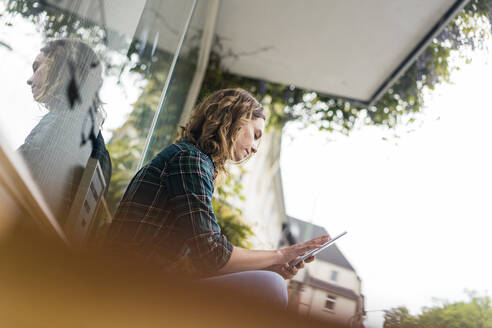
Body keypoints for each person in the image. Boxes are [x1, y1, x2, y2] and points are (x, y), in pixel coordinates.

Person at [105, 88, 328, 307]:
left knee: (270, 281)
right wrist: (281, 255)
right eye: (255, 134)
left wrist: (269, 267)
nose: (255, 148)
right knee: (271, 287)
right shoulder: (189, 160)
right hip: (132, 285)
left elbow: (205, 259)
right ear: (235, 119)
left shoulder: (192, 159)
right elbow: (213, 255)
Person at [19, 38, 111, 223]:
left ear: (60, 68)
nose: (29, 80)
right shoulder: (98, 147)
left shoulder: (62, 125)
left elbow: (25, 199)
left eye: (36, 67)